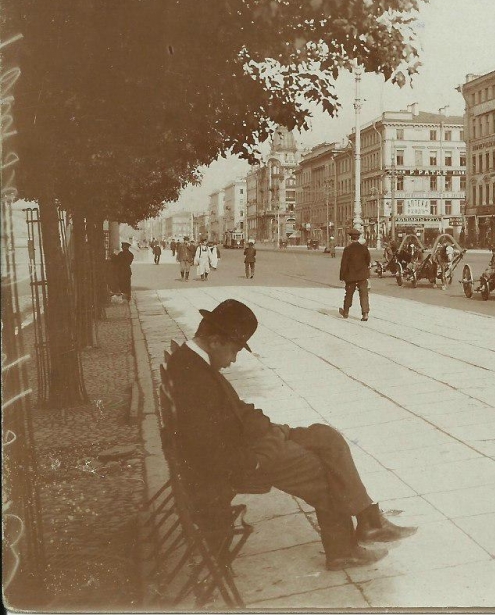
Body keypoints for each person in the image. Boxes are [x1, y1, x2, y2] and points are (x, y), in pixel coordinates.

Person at [164, 299, 415, 570]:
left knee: (326, 436)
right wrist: (269, 445)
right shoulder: (195, 378)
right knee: (325, 472)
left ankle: (369, 520)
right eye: (235, 350)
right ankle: (344, 549)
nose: (234, 360)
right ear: (215, 341)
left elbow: (238, 410)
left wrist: (272, 429)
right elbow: (211, 452)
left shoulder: (193, 363)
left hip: (249, 444)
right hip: (243, 461)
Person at [339, 229, 371, 321]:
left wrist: (342, 276)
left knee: (349, 294)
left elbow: (344, 264)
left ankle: (345, 312)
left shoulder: (347, 249)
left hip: (350, 276)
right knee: (364, 294)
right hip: (362, 276)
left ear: (350, 238)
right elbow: (368, 261)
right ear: (358, 237)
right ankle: (365, 314)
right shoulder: (364, 248)